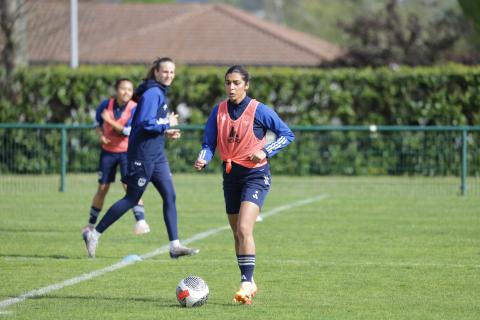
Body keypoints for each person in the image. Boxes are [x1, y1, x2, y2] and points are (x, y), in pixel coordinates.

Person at [194, 65, 295, 304]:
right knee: (236, 233)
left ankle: (246, 283)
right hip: (230, 176)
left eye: (236, 83)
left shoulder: (259, 110)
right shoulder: (218, 111)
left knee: (243, 229)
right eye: (228, 82)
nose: (231, 87)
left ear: (246, 85)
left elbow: (287, 134)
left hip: (255, 176)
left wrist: (265, 151)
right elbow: (209, 143)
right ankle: (248, 279)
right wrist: (203, 158)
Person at [83, 57, 199, 259]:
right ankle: (94, 233)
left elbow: (148, 124)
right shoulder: (153, 93)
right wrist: (166, 124)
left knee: (169, 196)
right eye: (165, 71)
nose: (169, 75)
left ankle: (175, 246)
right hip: (142, 155)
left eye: (172, 72)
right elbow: (145, 123)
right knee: (132, 198)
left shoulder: (158, 92)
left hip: (157, 155)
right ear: (156, 72)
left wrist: (165, 131)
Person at [83, 78, 150, 237]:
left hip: (128, 152)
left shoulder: (135, 107)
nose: (126, 92)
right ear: (116, 90)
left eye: (129, 89)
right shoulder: (106, 105)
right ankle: (91, 225)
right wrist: (100, 135)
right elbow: (97, 124)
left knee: (130, 187)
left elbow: (127, 131)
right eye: (123, 89)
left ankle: (141, 221)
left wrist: (109, 120)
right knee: (102, 188)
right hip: (108, 152)